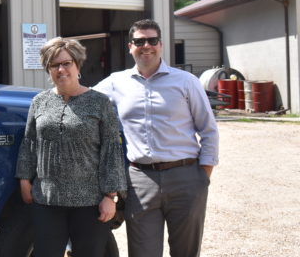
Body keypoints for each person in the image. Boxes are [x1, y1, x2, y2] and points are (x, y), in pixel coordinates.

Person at [94, 19, 219, 257]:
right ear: (130, 47)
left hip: (186, 177)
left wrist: (203, 177)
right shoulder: (115, 83)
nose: (146, 46)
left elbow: (209, 130)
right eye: (139, 41)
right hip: (140, 180)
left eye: (152, 40)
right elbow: (83, 99)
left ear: (161, 45)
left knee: (186, 252)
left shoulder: (186, 82)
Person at [16, 37, 126, 257]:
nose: (61, 69)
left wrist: (110, 196)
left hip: (90, 202)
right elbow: (29, 142)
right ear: (48, 70)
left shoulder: (99, 102)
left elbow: (111, 150)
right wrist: (24, 179)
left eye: (66, 63)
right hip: (47, 200)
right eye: (54, 65)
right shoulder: (39, 101)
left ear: (78, 65)